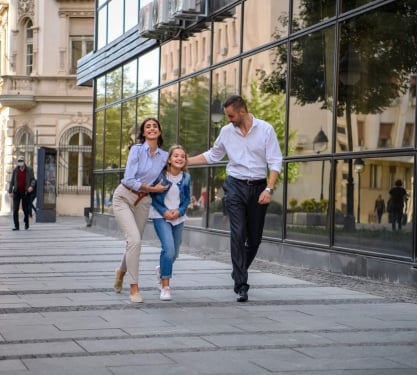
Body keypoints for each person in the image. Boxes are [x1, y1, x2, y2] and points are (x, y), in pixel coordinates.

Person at [188, 94, 282, 302]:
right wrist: (186, 161)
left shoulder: (265, 130)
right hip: (235, 186)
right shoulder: (226, 132)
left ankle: (238, 270)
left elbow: (275, 161)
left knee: (254, 239)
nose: (228, 119)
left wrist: (269, 189)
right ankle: (241, 284)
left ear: (242, 111)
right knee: (238, 234)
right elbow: (213, 155)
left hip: (259, 187)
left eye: (231, 115)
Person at [112, 118, 169, 303]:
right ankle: (134, 288)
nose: (152, 129)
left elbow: (179, 161)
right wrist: (153, 189)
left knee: (133, 243)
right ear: (143, 133)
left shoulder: (164, 156)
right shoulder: (136, 150)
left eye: (155, 126)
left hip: (143, 202)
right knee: (134, 240)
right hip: (124, 197)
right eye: (148, 127)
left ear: (159, 132)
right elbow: (129, 179)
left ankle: (121, 271)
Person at [149, 145, 191, 301]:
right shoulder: (160, 175)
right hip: (161, 216)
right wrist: (164, 211)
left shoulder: (186, 177)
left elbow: (187, 198)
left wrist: (179, 211)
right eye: (176, 156)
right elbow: (152, 196)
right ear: (169, 159)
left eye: (183, 156)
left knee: (174, 253)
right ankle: (165, 286)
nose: (180, 158)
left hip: (178, 217)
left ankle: (161, 268)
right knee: (168, 248)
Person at [8, 155, 36, 231]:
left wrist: (31, 187)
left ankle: (26, 223)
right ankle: (16, 226)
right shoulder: (15, 170)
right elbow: (12, 181)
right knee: (15, 209)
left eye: (21, 161)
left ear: (24, 161)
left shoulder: (29, 170)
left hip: (25, 192)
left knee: (25, 209)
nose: (20, 162)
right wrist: (10, 191)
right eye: (19, 161)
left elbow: (33, 180)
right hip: (16, 192)